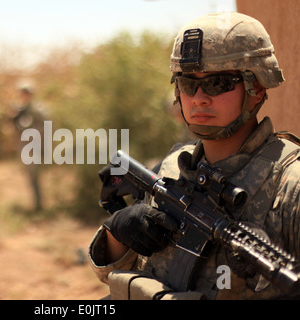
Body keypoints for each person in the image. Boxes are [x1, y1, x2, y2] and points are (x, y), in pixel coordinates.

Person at [88, 12, 300, 300]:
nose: (199, 97)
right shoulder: (172, 167)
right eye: (188, 83)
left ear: (257, 87)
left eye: (218, 83)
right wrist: (119, 230)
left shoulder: (290, 185)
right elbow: (109, 275)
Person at [11, 85, 46, 211]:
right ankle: (37, 204)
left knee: (34, 175)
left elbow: (44, 126)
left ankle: (39, 205)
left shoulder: (38, 109)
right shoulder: (21, 109)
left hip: (35, 145)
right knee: (30, 175)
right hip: (25, 146)